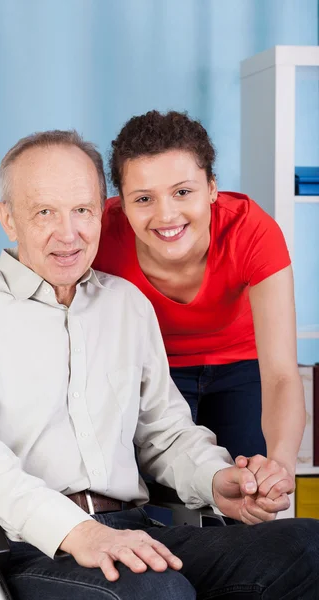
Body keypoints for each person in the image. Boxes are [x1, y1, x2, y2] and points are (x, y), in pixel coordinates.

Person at [0, 130, 317, 600]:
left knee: (307, 547)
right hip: (24, 545)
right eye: (44, 211)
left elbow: (165, 434)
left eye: (83, 210)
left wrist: (217, 478)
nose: (68, 234)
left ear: (103, 214)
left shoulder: (127, 305)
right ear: (8, 218)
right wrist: (76, 532)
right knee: (156, 590)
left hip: (134, 529)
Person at [94, 110, 305, 486]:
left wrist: (281, 465)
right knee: (153, 509)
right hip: (150, 372)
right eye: (144, 198)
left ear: (212, 189)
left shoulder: (252, 232)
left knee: (249, 495)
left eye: (182, 192)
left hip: (240, 366)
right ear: (121, 204)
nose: (166, 214)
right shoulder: (99, 236)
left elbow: (282, 375)